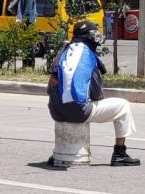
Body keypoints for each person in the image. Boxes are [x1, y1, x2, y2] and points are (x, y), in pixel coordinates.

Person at [47, 21, 140, 167]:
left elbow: (51, 86)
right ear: (90, 37)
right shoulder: (88, 56)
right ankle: (120, 154)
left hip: (55, 111)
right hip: (79, 112)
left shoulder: (64, 52)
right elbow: (97, 95)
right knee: (123, 106)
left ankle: (59, 153)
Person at [19, 0, 37, 68]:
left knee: (27, 44)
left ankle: (28, 64)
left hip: (28, 23)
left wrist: (24, 22)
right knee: (27, 44)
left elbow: (28, 10)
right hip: (28, 22)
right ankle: (27, 64)